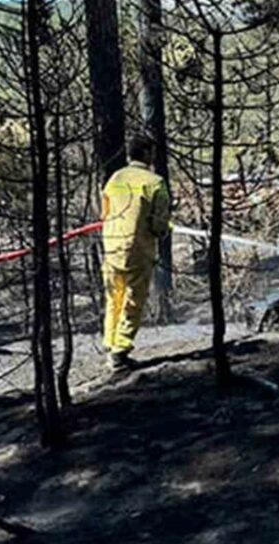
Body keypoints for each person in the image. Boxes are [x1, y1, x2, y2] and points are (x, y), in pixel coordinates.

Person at [101, 136, 171, 372]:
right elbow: (159, 225)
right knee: (133, 301)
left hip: (111, 247)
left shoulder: (115, 178)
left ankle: (110, 343)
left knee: (114, 298)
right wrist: (164, 229)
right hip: (137, 250)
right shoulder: (155, 183)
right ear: (147, 153)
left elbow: (105, 213)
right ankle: (119, 352)